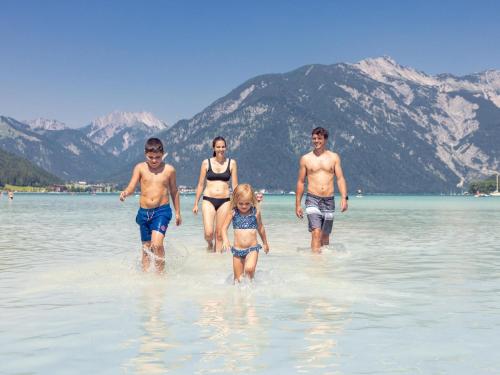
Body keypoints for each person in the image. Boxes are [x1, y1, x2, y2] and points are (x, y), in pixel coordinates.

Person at [120, 137, 182, 272]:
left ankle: (160, 275)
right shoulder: (140, 168)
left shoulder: (169, 170)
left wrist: (177, 212)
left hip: (162, 211)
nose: (154, 160)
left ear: (163, 154)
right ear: (145, 154)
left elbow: (174, 191)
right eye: (151, 157)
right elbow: (132, 186)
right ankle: (146, 278)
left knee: (157, 244)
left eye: (158, 157)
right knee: (146, 248)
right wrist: (125, 192)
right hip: (143, 213)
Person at [295, 127, 348, 252]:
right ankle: (315, 264)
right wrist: (297, 204)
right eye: (314, 138)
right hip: (312, 198)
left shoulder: (334, 157)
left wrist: (344, 198)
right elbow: (301, 182)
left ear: (325, 139)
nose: (316, 141)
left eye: (319, 138)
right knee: (316, 232)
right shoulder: (306, 159)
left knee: (325, 236)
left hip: (329, 200)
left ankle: (324, 265)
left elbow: (340, 179)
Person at [193, 136, 238, 252]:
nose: (221, 149)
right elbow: (200, 184)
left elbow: (235, 185)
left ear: (226, 148)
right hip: (208, 200)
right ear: (214, 148)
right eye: (218, 147)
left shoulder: (232, 163)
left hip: (225, 201)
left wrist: (237, 203)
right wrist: (196, 203)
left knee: (219, 234)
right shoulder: (206, 163)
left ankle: (216, 262)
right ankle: (209, 244)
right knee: (209, 233)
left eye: (223, 147)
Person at [221, 184, 269, 282]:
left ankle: (251, 288)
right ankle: (239, 297)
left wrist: (265, 243)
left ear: (251, 201)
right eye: (241, 203)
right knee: (237, 280)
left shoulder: (255, 212)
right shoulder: (233, 212)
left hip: (252, 248)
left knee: (249, 269)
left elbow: (260, 228)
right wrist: (225, 240)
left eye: (247, 203)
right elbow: (223, 228)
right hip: (237, 251)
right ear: (235, 201)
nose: (244, 206)